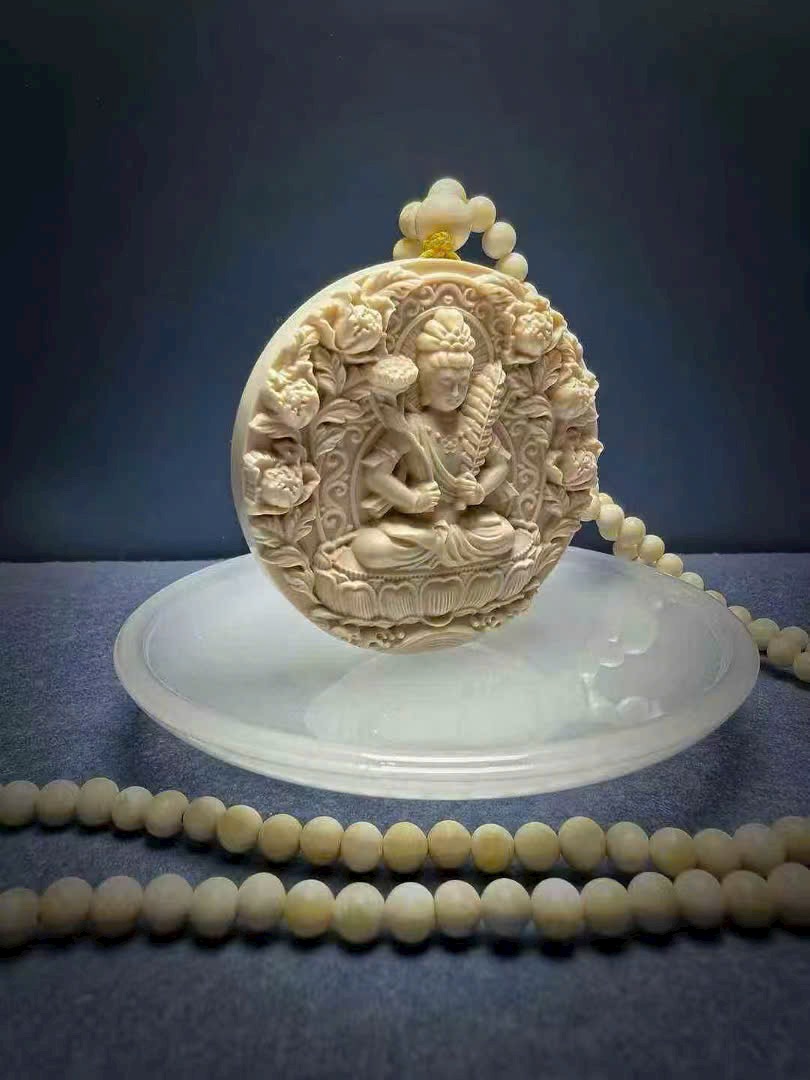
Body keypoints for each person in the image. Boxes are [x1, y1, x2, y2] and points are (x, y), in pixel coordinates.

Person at [350, 308, 516, 572]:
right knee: (369, 547)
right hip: (420, 527)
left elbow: (500, 465)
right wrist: (411, 499)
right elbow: (374, 474)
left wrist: (480, 490)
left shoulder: (473, 425)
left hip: (464, 526)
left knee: (506, 534)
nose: (455, 392)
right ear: (425, 383)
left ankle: (440, 551)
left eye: (463, 383)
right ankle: (441, 550)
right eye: (446, 382)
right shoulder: (412, 427)